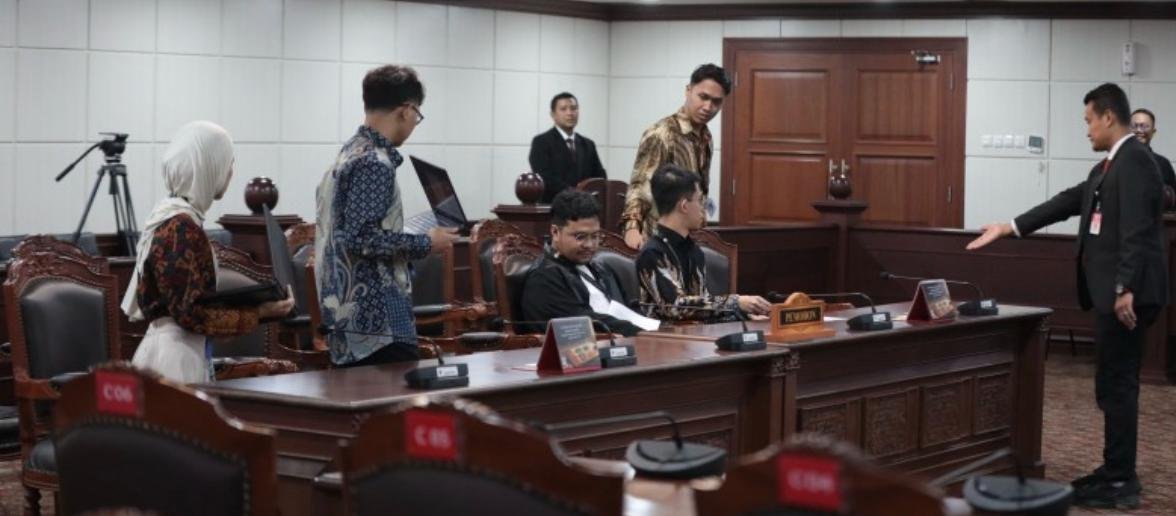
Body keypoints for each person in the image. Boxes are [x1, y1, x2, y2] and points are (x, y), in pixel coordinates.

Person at [967, 83, 1167, 510]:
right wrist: (1010, 226)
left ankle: (1121, 480)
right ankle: (1114, 469)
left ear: (1108, 117)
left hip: (1126, 296)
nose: (1086, 129)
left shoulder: (1136, 161)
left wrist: (1125, 288)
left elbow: (1137, 229)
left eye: (1089, 120)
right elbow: (1068, 201)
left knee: (1118, 385)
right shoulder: (1110, 166)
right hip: (1114, 293)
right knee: (1111, 383)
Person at [123, 121, 294, 384]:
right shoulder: (179, 228)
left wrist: (259, 309)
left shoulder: (174, 219)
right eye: (227, 163)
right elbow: (191, 314)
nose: (231, 172)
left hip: (181, 352)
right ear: (206, 166)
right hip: (175, 362)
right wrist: (260, 312)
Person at [316, 65, 459, 367]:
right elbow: (362, 238)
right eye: (417, 115)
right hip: (377, 322)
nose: (415, 122)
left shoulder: (351, 151)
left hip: (348, 315)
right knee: (396, 397)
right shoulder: (374, 163)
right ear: (406, 110)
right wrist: (426, 242)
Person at [637, 164, 771, 322]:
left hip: (695, 335)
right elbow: (676, 307)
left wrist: (744, 316)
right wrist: (735, 302)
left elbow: (704, 312)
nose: (703, 208)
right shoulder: (653, 254)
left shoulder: (693, 250)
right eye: (700, 200)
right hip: (661, 336)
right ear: (684, 206)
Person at [622, 64, 730, 250]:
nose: (708, 107)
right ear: (688, 90)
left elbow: (701, 189)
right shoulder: (662, 134)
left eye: (716, 102)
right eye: (703, 97)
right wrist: (631, 227)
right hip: (657, 239)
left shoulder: (706, 137)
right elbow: (640, 185)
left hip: (689, 238)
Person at [520, 190, 657, 337]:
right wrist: (642, 333)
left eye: (595, 236)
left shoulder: (600, 268)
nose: (590, 245)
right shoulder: (544, 278)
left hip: (623, 343)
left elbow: (626, 310)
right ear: (555, 232)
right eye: (580, 237)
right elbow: (582, 324)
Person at [528, 92, 607, 203]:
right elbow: (544, 177)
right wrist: (576, 194)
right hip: (554, 207)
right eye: (563, 109)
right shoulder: (541, 142)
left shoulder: (588, 144)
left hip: (585, 208)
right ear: (553, 114)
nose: (570, 113)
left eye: (574, 108)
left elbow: (600, 176)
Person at [1130, 108, 1176, 209]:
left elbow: (1173, 202)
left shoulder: (1163, 164)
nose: (1139, 130)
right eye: (1134, 126)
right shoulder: (1115, 161)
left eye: (1144, 126)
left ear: (1153, 132)